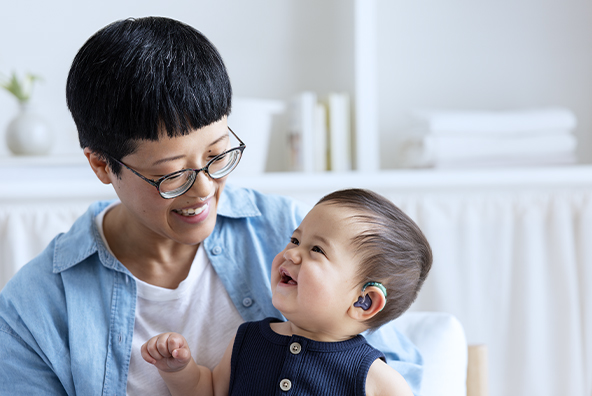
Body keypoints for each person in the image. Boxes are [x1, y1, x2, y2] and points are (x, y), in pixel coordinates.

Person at [0, 17, 424, 395]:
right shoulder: (34, 307)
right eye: (172, 174)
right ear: (101, 165)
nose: (204, 188)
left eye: (218, 156)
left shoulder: (298, 231)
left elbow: (401, 370)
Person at [142, 188, 432, 396]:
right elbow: (209, 391)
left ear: (364, 301)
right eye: (295, 240)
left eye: (317, 250)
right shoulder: (249, 340)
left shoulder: (377, 380)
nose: (291, 254)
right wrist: (179, 371)